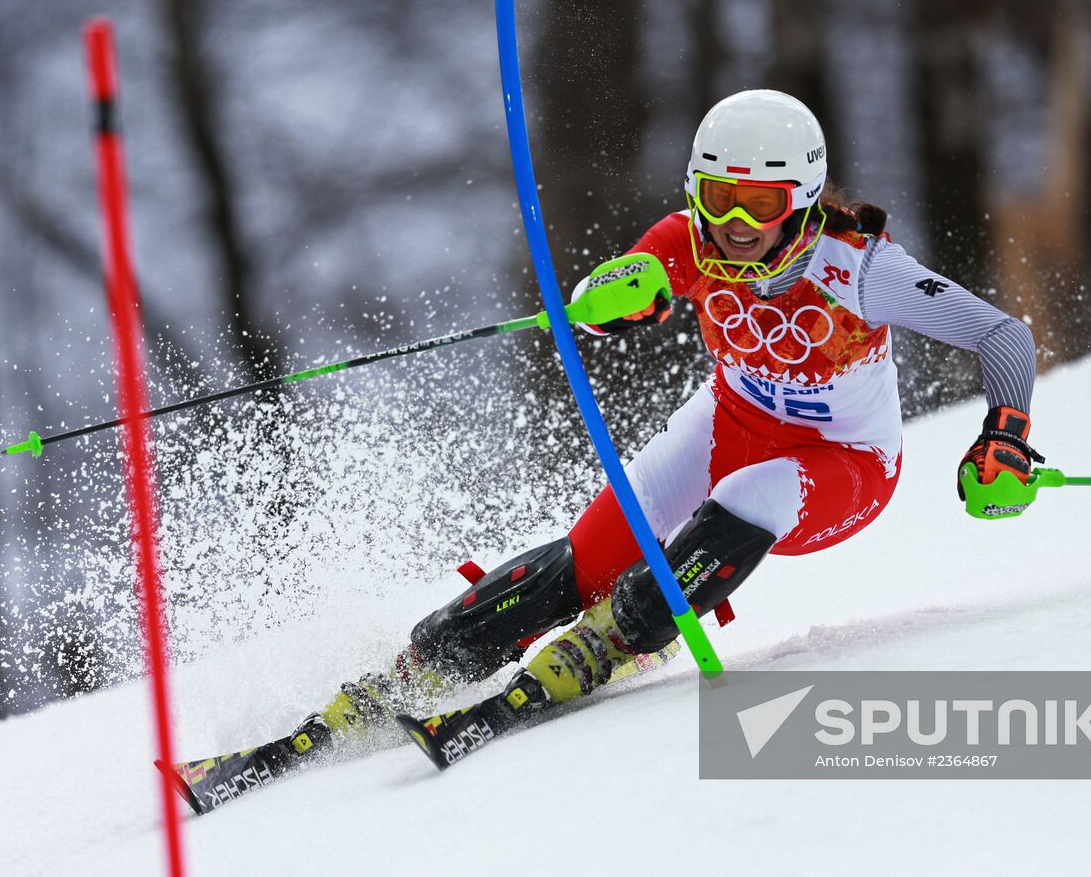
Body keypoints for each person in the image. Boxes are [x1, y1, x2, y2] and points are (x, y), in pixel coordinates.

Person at [297, 89, 1043, 752]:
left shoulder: (862, 270)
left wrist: (1005, 436)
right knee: (588, 561)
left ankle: (614, 640)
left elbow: (1003, 336)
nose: (735, 224)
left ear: (802, 200)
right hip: (728, 425)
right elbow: (621, 285)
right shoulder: (689, 240)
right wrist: (607, 302)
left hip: (843, 463)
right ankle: (425, 664)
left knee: (750, 494)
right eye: (718, 197)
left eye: (760, 204)